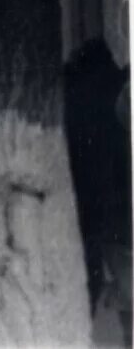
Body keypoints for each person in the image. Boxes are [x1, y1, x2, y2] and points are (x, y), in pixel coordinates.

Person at [63, 37, 132, 341]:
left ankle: (83, 326)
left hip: (88, 196)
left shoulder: (73, 94)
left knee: (89, 264)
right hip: (121, 198)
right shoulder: (120, 87)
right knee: (127, 274)